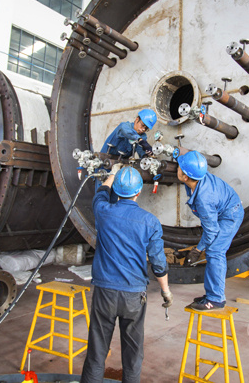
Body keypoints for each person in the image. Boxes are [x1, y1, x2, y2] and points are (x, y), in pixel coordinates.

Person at [81, 164, 173, 383]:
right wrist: (166, 292)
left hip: (105, 292)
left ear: (117, 191)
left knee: (96, 352)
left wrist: (112, 172)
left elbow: (101, 192)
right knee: (132, 355)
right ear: (139, 192)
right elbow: (159, 263)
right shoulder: (150, 221)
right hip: (134, 295)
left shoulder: (103, 211)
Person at [176, 151, 244, 311]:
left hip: (230, 216)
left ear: (185, 177)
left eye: (179, 167)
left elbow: (212, 231)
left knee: (215, 251)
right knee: (213, 249)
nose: (177, 169)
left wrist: (197, 249)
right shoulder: (197, 176)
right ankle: (210, 294)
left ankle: (216, 299)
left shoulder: (204, 200)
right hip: (225, 209)